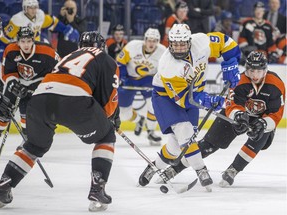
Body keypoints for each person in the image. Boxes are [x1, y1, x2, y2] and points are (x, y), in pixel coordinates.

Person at [0, 31, 120, 212]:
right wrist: (110, 119)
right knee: (106, 137)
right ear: (102, 46)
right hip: (75, 100)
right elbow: (108, 98)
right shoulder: (106, 59)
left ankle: (4, 184)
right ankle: (97, 187)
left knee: (34, 145)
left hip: (39, 99)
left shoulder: (69, 56)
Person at [154, 51, 285, 188]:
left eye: (259, 71)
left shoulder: (276, 84)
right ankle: (175, 169)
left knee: (258, 138)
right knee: (208, 144)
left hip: (262, 119)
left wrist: (264, 123)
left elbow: (276, 113)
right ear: (246, 68)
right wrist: (237, 115)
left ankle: (234, 169)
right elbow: (232, 105)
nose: (255, 75)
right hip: (239, 116)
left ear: (265, 70)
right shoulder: (239, 81)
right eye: (251, 70)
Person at [138, 23, 241, 190]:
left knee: (175, 146)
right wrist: (208, 101)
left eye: (182, 44)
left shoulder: (201, 42)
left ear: (189, 41)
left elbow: (227, 43)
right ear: (170, 43)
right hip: (166, 97)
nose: (178, 48)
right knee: (185, 131)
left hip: (193, 94)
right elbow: (185, 100)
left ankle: (154, 166)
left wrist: (231, 61)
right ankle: (201, 170)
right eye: (175, 44)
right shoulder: (167, 66)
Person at [0, 26, 60, 140]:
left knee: (28, 114)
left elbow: (59, 70)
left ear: (33, 40)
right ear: (18, 41)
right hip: (17, 83)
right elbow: (7, 73)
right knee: (3, 111)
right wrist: (13, 84)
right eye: (22, 41)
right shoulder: (11, 50)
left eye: (29, 41)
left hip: (38, 84)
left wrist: (44, 86)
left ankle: (28, 143)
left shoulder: (47, 52)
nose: (26, 45)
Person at [116, 28, 166, 146]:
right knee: (123, 113)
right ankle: (139, 120)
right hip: (129, 78)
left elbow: (165, 70)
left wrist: (158, 83)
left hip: (148, 80)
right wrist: (122, 78)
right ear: (145, 40)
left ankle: (151, 132)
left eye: (154, 41)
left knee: (153, 104)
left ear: (158, 41)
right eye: (149, 40)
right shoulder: (132, 46)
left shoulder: (163, 52)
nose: (151, 43)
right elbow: (120, 62)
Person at [0, 0, 79, 46]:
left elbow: (53, 22)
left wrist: (66, 30)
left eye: (35, 7)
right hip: (21, 47)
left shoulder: (40, 15)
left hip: (35, 46)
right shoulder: (17, 20)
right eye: (30, 7)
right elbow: (5, 38)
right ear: (25, 8)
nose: (34, 10)